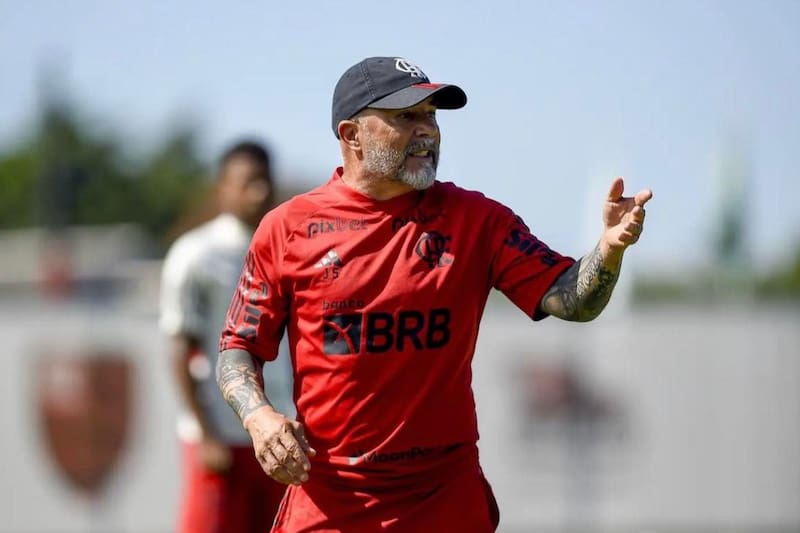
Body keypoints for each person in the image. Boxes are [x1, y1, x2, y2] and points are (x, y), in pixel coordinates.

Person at [216, 57, 653, 533]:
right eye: (406, 116)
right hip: (331, 503)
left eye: (431, 115)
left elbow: (573, 300)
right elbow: (237, 347)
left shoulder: (477, 220)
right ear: (352, 134)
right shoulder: (287, 229)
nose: (427, 130)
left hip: (443, 501)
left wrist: (608, 250)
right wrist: (259, 418)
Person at [160, 140, 293, 533]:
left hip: (278, 432)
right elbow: (179, 346)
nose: (259, 192)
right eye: (247, 182)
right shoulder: (196, 253)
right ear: (223, 187)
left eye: (265, 181)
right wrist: (206, 435)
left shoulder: (289, 247)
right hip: (223, 435)